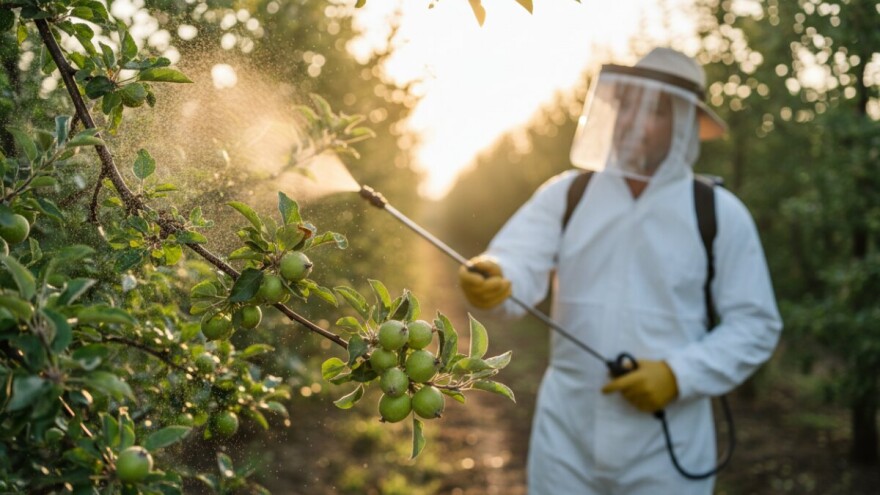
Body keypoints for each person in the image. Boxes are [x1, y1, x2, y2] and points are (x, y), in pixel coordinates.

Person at [458, 47, 782, 495]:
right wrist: (497, 274)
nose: (634, 121)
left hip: (667, 445)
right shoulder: (568, 194)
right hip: (567, 437)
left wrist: (679, 375)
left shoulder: (719, 213)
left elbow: (755, 324)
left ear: (684, 125)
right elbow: (518, 259)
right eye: (627, 104)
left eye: (656, 110)